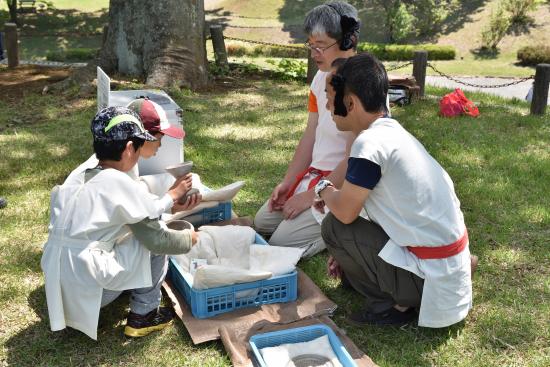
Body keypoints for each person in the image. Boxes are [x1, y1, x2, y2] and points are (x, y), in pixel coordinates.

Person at [315, 53, 474, 327]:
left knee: (334, 226)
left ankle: (392, 307)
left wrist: (323, 188)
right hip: (447, 273)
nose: (328, 105)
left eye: (330, 97)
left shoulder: (370, 145)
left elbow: (344, 213)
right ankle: (388, 289)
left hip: (431, 282)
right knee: (346, 227)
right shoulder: (392, 133)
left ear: (350, 102)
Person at [41, 107, 198, 340]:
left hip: (59, 283)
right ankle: (144, 315)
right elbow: (154, 237)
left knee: (138, 233)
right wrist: (189, 236)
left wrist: (169, 204)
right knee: (150, 240)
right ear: (128, 149)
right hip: (90, 284)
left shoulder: (84, 175)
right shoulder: (116, 179)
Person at [253, 1, 362, 258]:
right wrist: (289, 182)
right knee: (262, 222)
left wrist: (310, 196)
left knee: (279, 243)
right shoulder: (319, 77)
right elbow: (310, 133)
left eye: (321, 45)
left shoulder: (360, 83)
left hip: (341, 187)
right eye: (311, 45)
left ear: (347, 41)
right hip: (317, 177)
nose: (314, 52)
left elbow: (356, 158)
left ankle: (337, 229)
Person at [67, 97, 201, 212]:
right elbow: (138, 223)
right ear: (142, 137)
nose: (160, 145)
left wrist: (171, 207)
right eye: (159, 139)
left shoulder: (116, 160)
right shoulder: (115, 171)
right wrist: (171, 197)